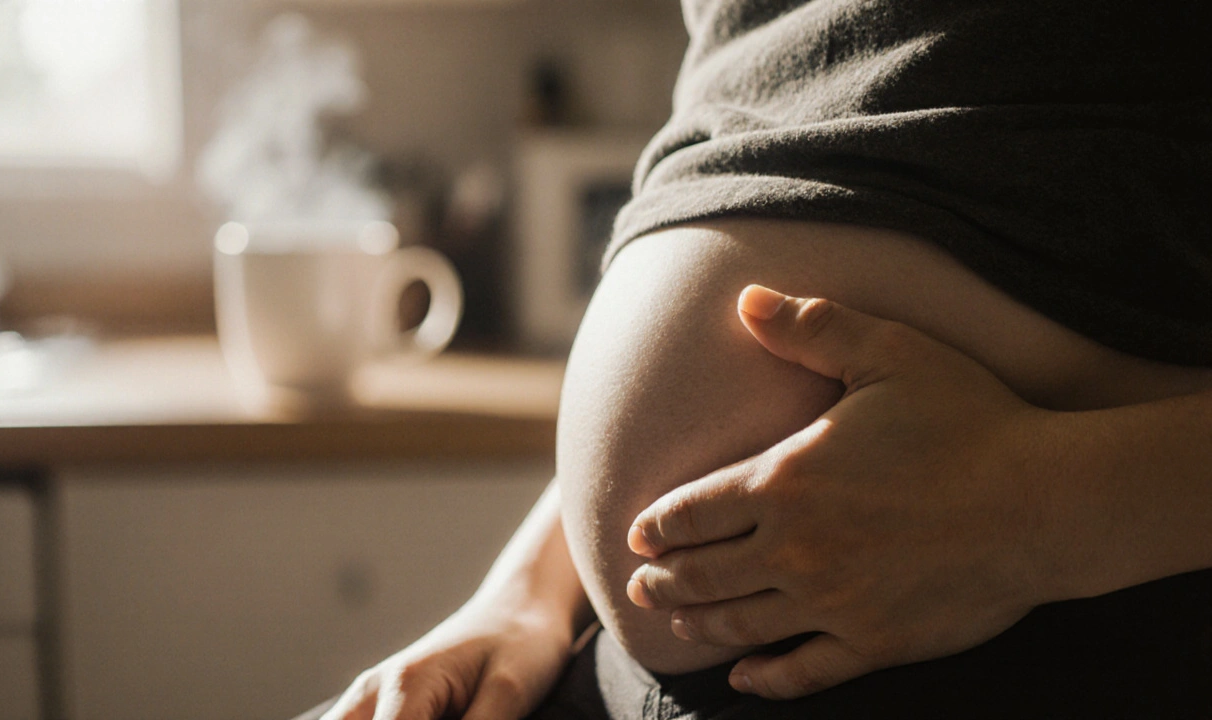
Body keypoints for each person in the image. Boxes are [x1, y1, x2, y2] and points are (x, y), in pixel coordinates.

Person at [303, 0, 1212, 717]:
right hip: (633, 664)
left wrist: (1038, 511)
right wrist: (532, 592)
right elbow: (748, 146)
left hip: (1043, 644)